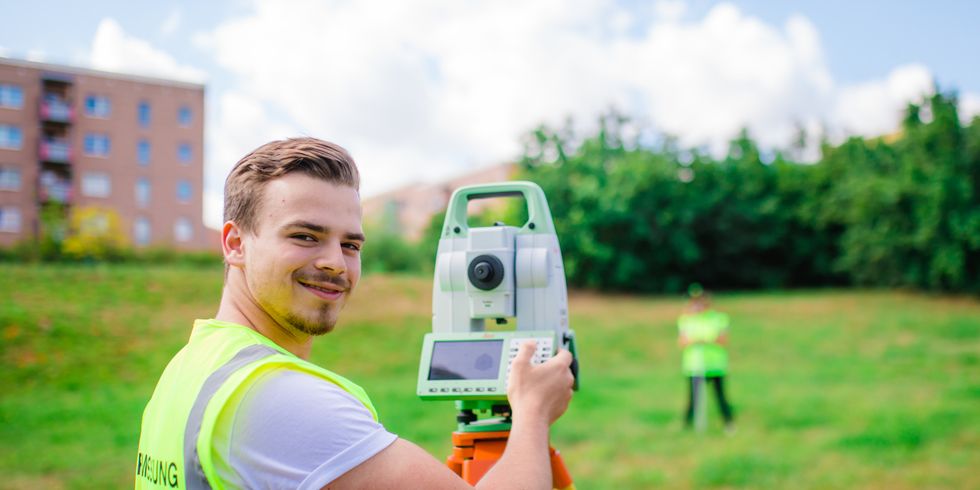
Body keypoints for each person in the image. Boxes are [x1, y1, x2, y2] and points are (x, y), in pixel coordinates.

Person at [135, 137, 575, 489]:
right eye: (306, 236)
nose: (335, 262)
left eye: (351, 244)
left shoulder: (191, 368)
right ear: (235, 244)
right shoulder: (281, 401)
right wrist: (533, 412)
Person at [677, 284, 734, 432]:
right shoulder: (686, 320)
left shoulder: (718, 318)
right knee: (693, 398)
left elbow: (723, 340)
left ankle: (729, 423)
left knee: (720, 396)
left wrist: (704, 340)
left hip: (715, 365)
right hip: (694, 366)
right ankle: (687, 426)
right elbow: (682, 341)